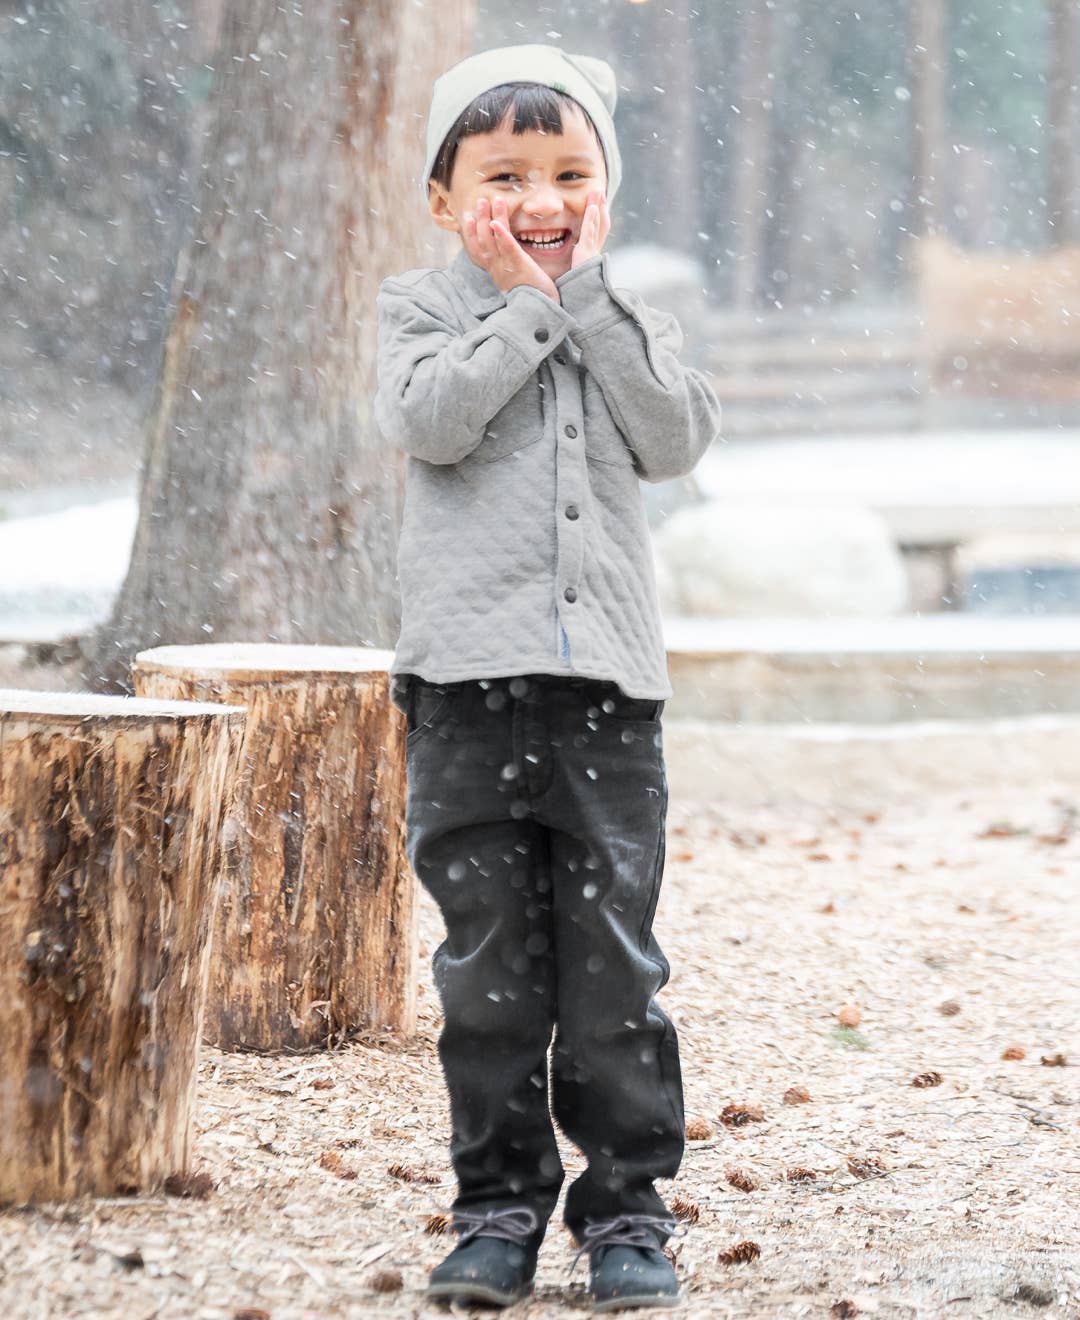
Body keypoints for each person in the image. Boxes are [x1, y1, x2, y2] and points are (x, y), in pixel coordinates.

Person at [373, 43, 721, 1312]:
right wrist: (524, 301)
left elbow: (674, 436)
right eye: (504, 173)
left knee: (615, 968)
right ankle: (498, 1205)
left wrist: (584, 302)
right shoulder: (418, 312)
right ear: (440, 194)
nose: (540, 199)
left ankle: (627, 1213)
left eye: (569, 173)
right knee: (490, 969)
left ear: (605, 192)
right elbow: (432, 422)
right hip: (466, 694)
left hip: (608, 701)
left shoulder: (629, 318)